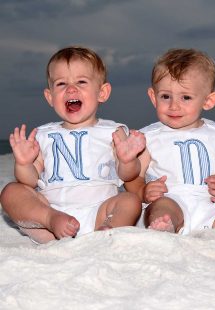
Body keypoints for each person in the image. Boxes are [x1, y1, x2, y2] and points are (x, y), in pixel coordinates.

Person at [125, 48, 215, 248]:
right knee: (160, 209)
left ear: (208, 101)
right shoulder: (149, 137)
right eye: (166, 96)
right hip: (171, 199)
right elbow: (133, 177)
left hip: (213, 206)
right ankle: (165, 228)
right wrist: (143, 190)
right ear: (153, 96)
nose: (174, 106)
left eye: (186, 98)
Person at [0, 46, 145, 244]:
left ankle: (109, 230)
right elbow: (30, 181)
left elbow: (127, 175)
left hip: (100, 212)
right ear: (50, 97)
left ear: (102, 92)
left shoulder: (113, 132)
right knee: (11, 192)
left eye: (81, 82)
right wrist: (24, 164)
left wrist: (127, 159)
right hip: (52, 212)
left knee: (130, 201)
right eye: (61, 84)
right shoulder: (43, 135)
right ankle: (49, 221)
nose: (70, 89)